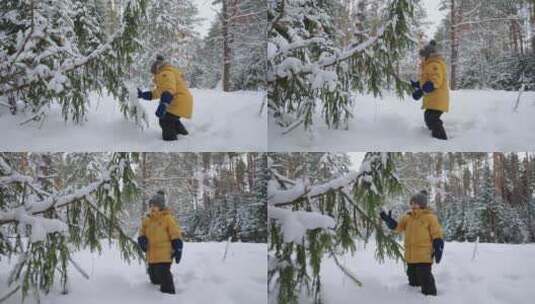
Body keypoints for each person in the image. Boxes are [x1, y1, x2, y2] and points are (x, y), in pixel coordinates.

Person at [379, 190, 444, 296]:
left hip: (424, 255)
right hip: (410, 255)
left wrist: (438, 246)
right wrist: (388, 220)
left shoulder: (430, 217)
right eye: (412, 203)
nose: (413, 205)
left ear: (422, 204)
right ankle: (413, 296)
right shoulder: (407, 217)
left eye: (415, 203)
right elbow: (397, 227)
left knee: (424, 276)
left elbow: (437, 233)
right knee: (412, 277)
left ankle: (430, 296)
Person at [137, 190, 184, 294]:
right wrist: (142, 240)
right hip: (151, 255)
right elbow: (141, 233)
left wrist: (178, 247)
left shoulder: (167, 218)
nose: (153, 207)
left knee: (163, 273)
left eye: (156, 205)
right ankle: (156, 291)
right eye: (151, 205)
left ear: (161, 206)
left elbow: (175, 234)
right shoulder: (147, 220)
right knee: (154, 278)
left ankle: (169, 293)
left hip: (164, 255)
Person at [138, 55, 193, 141]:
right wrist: (142, 95)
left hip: (179, 101)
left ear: (157, 70)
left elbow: (168, 89)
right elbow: (156, 93)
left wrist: (164, 104)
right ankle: (183, 135)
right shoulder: (168, 73)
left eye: (153, 74)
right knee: (171, 119)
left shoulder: (165, 73)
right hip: (183, 101)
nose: (153, 76)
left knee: (165, 121)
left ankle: (170, 141)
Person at [410, 40, 450, 140]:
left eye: (422, 57)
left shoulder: (434, 65)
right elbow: (426, 81)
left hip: (438, 99)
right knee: (429, 117)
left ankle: (441, 138)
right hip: (433, 99)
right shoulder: (428, 65)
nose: (421, 59)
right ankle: (435, 131)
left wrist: (421, 91)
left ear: (428, 56)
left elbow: (435, 81)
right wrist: (417, 84)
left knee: (431, 118)